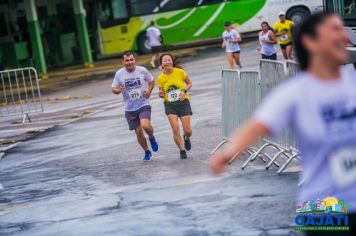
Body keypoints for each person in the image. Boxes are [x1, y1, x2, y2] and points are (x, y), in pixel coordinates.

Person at [211, 12, 356, 235]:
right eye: (335, 30)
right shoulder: (296, 92)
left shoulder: (352, 82)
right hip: (323, 206)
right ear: (311, 41)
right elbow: (258, 124)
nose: (345, 37)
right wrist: (228, 152)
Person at [112, 51, 159, 161]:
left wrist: (149, 91)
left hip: (143, 104)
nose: (129, 62)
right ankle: (147, 151)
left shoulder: (142, 70)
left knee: (145, 126)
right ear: (123, 62)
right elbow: (114, 89)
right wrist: (118, 90)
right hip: (129, 108)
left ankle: (151, 137)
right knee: (138, 132)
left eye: (131, 59)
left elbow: (151, 81)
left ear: (134, 60)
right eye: (127, 60)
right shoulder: (119, 74)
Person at [157, 54, 193, 159]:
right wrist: (160, 94)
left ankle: (186, 138)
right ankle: (182, 150)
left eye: (169, 60)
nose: (167, 62)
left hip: (183, 102)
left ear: (172, 61)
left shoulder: (180, 72)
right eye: (165, 61)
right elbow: (161, 91)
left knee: (188, 131)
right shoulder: (160, 78)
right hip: (170, 104)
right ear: (161, 64)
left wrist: (184, 91)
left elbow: (189, 83)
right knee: (175, 128)